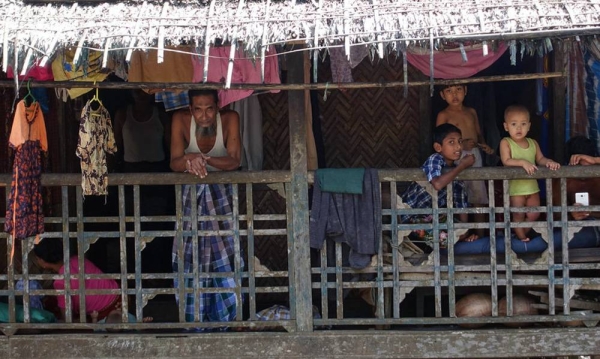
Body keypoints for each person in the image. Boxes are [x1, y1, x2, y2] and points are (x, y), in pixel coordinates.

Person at [169, 89, 243, 328]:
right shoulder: (180, 120)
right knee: (192, 256)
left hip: (223, 202)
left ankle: (226, 316)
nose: (204, 116)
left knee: (226, 254)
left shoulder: (230, 119)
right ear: (190, 109)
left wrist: (204, 160)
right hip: (192, 201)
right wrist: (190, 158)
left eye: (209, 108)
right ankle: (196, 317)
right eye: (198, 109)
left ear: (217, 107)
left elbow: (234, 160)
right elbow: (174, 162)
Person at [113, 89, 173, 274]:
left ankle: (157, 274)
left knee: (157, 226)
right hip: (130, 175)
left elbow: (171, 148)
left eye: (145, 90)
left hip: (157, 176)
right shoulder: (122, 115)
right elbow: (115, 148)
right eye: (137, 90)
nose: (141, 94)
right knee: (131, 227)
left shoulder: (161, 116)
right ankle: (134, 274)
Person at [400, 123, 479, 248]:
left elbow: (461, 205)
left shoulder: (456, 172)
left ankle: (457, 241)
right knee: (447, 237)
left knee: (459, 233)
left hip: (433, 217)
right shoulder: (435, 159)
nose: (458, 146)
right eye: (451, 142)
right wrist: (462, 166)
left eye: (460, 141)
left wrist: (464, 231)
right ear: (438, 147)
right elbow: (437, 184)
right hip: (411, 216)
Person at [436, 84, 494, 237]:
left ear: (466, 91)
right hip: (455, 156)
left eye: (458, 89)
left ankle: (480, 234)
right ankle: (464, 233)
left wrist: (484, 145)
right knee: (459, 194)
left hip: (474, 155)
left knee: (478, 195)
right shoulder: (443, 115)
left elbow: (478, 134)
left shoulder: (471, 112)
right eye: (448, 91)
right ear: (442, 95)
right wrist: (462, 144)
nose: (454, 94)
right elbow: (441, 139)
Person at [499, 105, 560, 242]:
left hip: (532, 187)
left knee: (534, 213)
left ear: (529, 126)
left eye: (523, 124)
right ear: (506, 126)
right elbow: (506, 160)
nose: (519, 128)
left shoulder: (533, 143)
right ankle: (522, 238)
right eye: (514, 124)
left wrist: (549, 162)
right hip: (516, 189)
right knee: (518, 215)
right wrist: (522, 162)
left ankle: (519, 233)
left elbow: (540, 159)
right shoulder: (506, 142)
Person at [33, 238, 119, 322]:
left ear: (43, 261)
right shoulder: (77, 259)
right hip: (119, 296)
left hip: (106, 313)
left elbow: (68, 318)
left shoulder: (61, 282)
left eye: (37, 259)